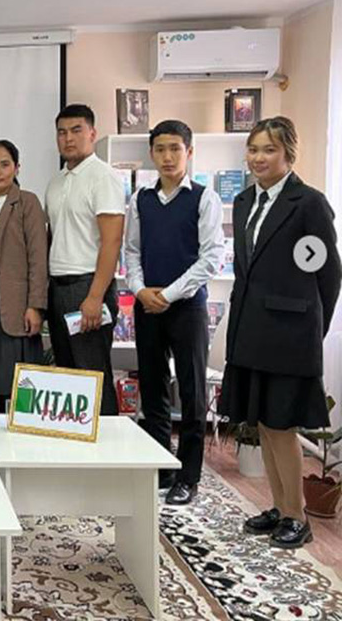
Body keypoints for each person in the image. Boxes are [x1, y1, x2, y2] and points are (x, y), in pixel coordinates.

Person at [219, 116, 340, 548]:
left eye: (268, 149)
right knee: (264, 426)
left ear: (288, 153)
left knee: (282, 425)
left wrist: (312, 329)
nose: (258, 158)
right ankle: (279, 506)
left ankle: (296, 517)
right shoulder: (243, 201)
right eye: (253, 149)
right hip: (250, 330)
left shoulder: (308, 203)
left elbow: (328, 274)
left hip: (290, 334)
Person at [124, 120, 225, 505]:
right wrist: (139, 290)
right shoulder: (141, 199)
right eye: (160, 149)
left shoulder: (204, 198)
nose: (167, 157)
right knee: (153, 390)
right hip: (147, 305)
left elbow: (211, 258)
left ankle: (188, 476)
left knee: (192, 391)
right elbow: (132, 251)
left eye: (175, 149)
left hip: (187, 308)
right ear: (152, 153)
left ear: (189, 152)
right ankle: (162, 468)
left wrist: (167, 293)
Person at [43, 104, 124, 415]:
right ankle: (75, 445)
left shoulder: (103, 177)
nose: (68, 138)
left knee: (93, 376)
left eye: (76, 130)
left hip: (88, 287)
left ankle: (107, 443)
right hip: (59, 288)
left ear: (92, 133)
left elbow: (112, 241)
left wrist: (95, 297)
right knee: (68, 377)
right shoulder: (56, 182)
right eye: (61, 132)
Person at [0, 140, 47, 412]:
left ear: (17, 168)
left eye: (4, 164)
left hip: (16, 298)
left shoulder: (27, 202)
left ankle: (22, 427)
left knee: (20, 375)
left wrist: (35, 306)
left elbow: (38, 257)